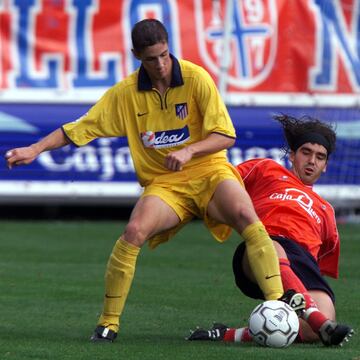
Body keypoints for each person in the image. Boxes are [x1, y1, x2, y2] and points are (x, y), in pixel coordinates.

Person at [4, 19, 286, 342]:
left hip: (209, 171)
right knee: (134, 231)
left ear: (169, 47)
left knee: (246, 216)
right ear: (136, 55)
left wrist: (189, 151)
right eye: (151, 59)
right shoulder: (125, 94)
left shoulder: (196, 78)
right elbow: (78, 129)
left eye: (165, 55)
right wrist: (35, 148)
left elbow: (225, 135)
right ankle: (108, 323)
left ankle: (277, 305)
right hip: (166, 184)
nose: (161, 64)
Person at [188, 114, 354, 346]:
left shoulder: (326, 210)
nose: (311, 161)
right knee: (273, 248)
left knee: (311, 333)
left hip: (300, 263)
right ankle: (316, 318)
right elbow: (223, 181)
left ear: (325, 166)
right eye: (305, 152)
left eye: (320, 157)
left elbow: (318, 264)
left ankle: (232, 333)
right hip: (261, 247)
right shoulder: (265, 169)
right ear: (292, 154)